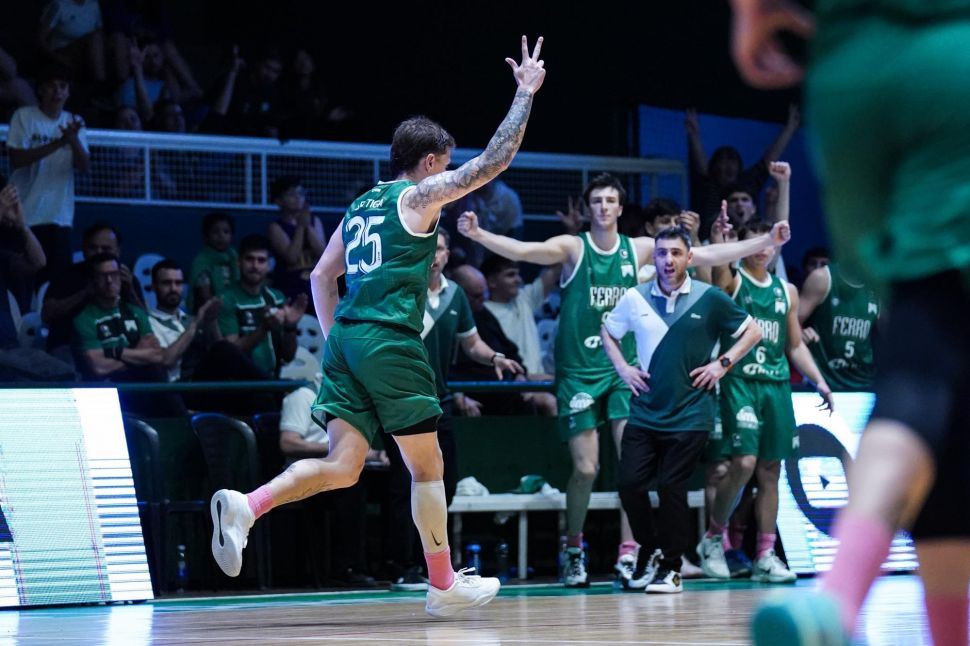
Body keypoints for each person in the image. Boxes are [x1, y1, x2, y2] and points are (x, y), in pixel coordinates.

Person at [207, 36, 546, 618]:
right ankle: (442, 585)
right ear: (431, 162)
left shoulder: (362, 204)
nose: (450, 170)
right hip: (390, 340)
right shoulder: (418, 199)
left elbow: (321, 276)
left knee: (343, 468)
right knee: (427, 466)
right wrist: (525, 94)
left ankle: (247, 505)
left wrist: (339, 341)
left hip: (347, 342)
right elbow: (494, 162)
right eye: (447, 161)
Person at [733, 3, 970, 644]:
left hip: (853, 61)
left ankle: (838, 602)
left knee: (926, 410)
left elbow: (866, 251)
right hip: (959, 44)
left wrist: (751, 14)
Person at [458, 173, 792, 589]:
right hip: (580, 371)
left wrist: (765, 241)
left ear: (619, 207)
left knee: (634, 471)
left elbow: (706, 254)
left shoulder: (640, 249)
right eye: (596, 200)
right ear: (589, 207)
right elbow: (525, 250)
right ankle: (574, 550)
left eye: (610, 200)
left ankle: (632, 553)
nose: (603, 206)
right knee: (586, 468)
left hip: (627, 375)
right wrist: (479, 234)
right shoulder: (573, 247)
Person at [600, 227, 765, 593]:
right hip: (645, 412)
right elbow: (608, 331)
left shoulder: (710, 298)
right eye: (661, 253)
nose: (668, 260)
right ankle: (650, 551)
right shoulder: (635, 297)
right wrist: (623, 368)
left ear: (689, 258)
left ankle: (672, 569)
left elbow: (753, 332)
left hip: (692, 413)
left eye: (676, 253)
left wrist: (722, 364)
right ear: (654, 258)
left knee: (671, 486)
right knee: (629, 484)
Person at [385, 229, 524, 590]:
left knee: (443, 484)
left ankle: (433, 566)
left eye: (440, 248)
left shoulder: (456, 295)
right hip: (401, 403)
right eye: (428, 247)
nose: (434, 254)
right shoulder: (400, 288)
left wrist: (494, 357)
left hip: (439, 403)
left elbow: (472, 343)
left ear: (447, 255)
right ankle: (404, 565)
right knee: (404, 484)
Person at [697, 219, 834, 585]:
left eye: (768, 242)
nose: (763, 248)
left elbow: (794, 345)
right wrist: (719, 238)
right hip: (739, 382)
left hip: (776, 385)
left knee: (771, 472)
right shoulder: (734, 281)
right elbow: (718, 269)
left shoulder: (786, 291)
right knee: (742, 463)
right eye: (755, 242)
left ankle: (765, 554)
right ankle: (714, 537)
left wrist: (819, 380)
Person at [278, 375, 385, 588]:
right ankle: (345, 568)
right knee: (351, 488)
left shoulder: (350, 400)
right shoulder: (304, 396)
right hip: (306, 475)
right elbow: (288, 443)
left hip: (340, 469)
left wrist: (375, 454)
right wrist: (335, 450)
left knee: (393, 485)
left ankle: (388, 564)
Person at [72, 252, 184, 416]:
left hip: (139, 382)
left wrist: (114, 352)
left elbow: (156, 355)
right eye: (103, 276)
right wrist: (137, 353)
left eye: (114, 274)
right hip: (108, 387)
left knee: (153, 372)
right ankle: (185, 423)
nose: (109, 281)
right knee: (152, 373)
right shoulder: (84, 318)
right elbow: (99, 367)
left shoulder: (136, 312)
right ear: (93, 280)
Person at [6, 63, 90, 281]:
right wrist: (59, 143)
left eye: (62, 86)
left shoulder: (75, 122)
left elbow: (84, 167)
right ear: (41, 90)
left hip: (59, 219)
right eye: (52, 86)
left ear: (68, 92)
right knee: (23, 282)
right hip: (24, 217)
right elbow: (17, 159)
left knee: (57, 286)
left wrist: (72, 140)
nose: (57, 91)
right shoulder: (24, 117)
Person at [685, 104, 799, 239]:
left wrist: (790, 128)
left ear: (753, 207)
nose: (740, 204)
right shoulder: (708, 187)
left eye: (744, 200)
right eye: (721, 163)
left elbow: (767, 164)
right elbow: (701, 168)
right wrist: (693, 135)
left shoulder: (747, 184)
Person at [42, 223, 143, 364]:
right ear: (84, 249)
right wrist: (86, 293)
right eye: (93, 248)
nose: (99, 253)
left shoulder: (126, 278)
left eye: (106, 248)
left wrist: (130, 290)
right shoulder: (67, 276)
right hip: (70, 346)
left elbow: (146, 323)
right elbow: (47, 315)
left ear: (118, 251)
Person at [450, 263, 537, 416]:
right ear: (460, 294)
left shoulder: (483, 313)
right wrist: (456, 395)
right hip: (471, 396)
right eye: (476, 296)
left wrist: (519, 374)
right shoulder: (448, 319)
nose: (483, 300)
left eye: (485, 293)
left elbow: (510, 351)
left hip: (504, 392)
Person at [216, 234, 305, 378]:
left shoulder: (277, 298)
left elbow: (288, 356)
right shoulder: (226, 299)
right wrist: (263, 329)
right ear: (239, 262)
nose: (255, 266)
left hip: (272, 381)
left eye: (261, 260)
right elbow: (230, 353)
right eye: (249, 259)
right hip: (238, 383)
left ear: (269, 265)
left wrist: (290, 327)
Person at [798, 263, 879, 392]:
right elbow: (790, 325)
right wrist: (800, 334)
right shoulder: (822, 278)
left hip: (865, 383)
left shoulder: (880, 286)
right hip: (823, 383)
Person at [147, 259, 220, 382]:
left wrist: (212, 320)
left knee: (227, 351)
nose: (173, 288)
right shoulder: (149, 323)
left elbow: (220, 351)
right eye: (166, 283)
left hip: (204, 383)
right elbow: (167, 360)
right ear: (154, 287)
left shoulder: (191, 319)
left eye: (178, 283)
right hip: (176, 386)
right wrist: (195, 323)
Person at [267, 176, 326, 307]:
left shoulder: (315, 221)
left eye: (300, 193)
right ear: (279, 201)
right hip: (291, 286)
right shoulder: (275, 228)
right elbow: (291, 258)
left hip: (316, 285)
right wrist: (300, 227)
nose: (298, 197)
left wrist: (308, 226)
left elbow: (324, 255)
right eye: (291, 194)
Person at [188, 211, 238, 313]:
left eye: (226, 232)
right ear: (206, 236)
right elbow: (206, 298)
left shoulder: (234, 257)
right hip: (209, 312)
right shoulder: (201, 262)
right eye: (215, 232)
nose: (221, 236)